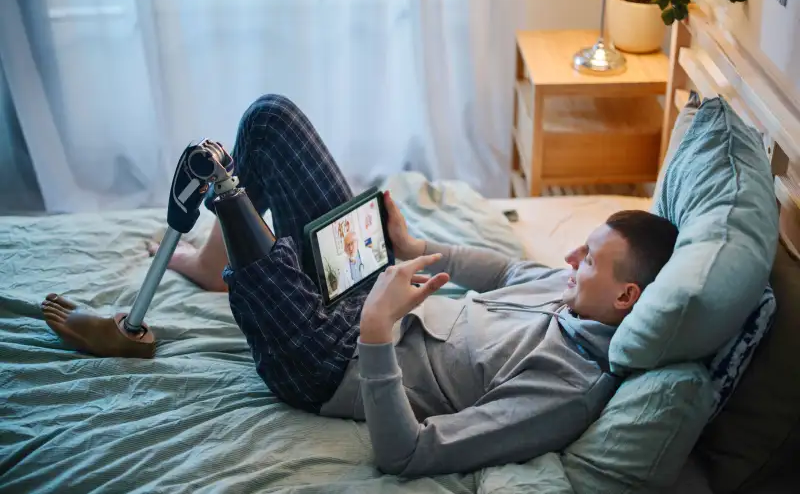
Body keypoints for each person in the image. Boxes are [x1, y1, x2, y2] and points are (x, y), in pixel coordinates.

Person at [41, 95, 679, 478]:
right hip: (372, 291)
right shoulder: (567, 288)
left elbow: (409, 454)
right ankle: (214, 263)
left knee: (223, 185)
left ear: (626, 299)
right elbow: (509, 270)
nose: (569, 257)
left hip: (332, 363)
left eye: (590, 259)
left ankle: (139, 322)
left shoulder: (567, 390)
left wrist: (375, 334)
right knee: (269, 120)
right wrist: (416, 249)